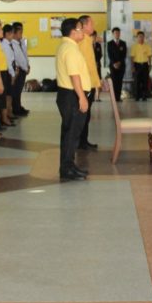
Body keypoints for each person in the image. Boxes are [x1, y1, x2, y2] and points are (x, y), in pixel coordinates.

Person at [55, 18, 90, 181]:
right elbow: (74, 75)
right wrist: (82, 97)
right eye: (80, 29)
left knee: (69, 133)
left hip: (67, 95)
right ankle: (67, 169)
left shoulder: (67, 46)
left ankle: (68, 166)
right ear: (72, 32)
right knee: (71, 134)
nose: (83, 32)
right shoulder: (70, 49)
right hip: (72, 96)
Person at [77, 14, 101, 150]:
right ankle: (80, 142)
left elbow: (92, 64)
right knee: (83, 115)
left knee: (86, 115)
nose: (93, 26)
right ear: (84, 26)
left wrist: (97, 83)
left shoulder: (87, 39)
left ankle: (83, 141)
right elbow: (85, 66)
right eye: (91, 24)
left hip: (90, 83)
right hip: (85, 84)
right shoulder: (82, 41)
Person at [11, 22, 30, 116]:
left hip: (23, 69)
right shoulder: (13, 44)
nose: (21, 34)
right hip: (18, 69)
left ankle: (19, 106)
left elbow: (25, 55)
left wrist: (28, 65)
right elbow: (19, 58)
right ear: (14, 33)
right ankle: (16, 108)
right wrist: (25, 67)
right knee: (16, 90)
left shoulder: (21, 42)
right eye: (20, 32)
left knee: (19, 90)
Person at [107, 27, 127, 101]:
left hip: (121, 65)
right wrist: (114, 63)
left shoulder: (123, 43)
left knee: (120, 82)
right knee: (114, 81)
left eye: (118, 33)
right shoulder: (110, 43)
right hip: (113, 66)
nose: (117, 34)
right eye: (115, 33)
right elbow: (110, 55)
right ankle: (114, 97)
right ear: (113, 34)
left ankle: (118, 97)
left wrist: (119, 62)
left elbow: (124, 54)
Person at [131, 31, 152, 101]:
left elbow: (149, 56)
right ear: (137, 38)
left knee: (145, 81)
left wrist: (150, 64)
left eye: (142, 37)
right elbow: (132, 57)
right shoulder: (134, 46)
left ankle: (144, 96)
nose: (141, 38)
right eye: (139, 37)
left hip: (145, 65)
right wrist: (133, 66)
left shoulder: (147, 46)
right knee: (137, 81)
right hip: (137, 65)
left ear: (144, 37)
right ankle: (137, 96)